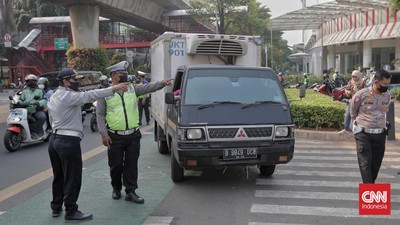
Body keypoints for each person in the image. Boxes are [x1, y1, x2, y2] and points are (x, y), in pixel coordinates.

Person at [47, 68, 128, 222]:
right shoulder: (69, 96)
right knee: (72, 177)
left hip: (55, 139)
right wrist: (114, 88)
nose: (77, 82)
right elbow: (90, 95)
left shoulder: (54, 95)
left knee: (59, 176)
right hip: (68, 141)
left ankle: (56, 207)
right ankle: (71, 211)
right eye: (74, 79)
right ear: (65, 81)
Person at [96, 61, 172, 204]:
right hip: (114, 136)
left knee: (131, 164)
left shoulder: (132, 89)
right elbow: (100, 114)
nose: (125, 76)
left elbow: (148, 87)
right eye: (121, 74)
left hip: (133, 135)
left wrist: (162, 83)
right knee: (116, 165)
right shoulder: (105, 93)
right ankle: (116, 188)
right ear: (113, 76)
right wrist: (104, 134)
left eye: (125, 73)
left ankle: (130, 191)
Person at [350, 69, 391, 184]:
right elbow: (353, 111)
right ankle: (369, 190)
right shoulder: (361, 95)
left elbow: (385, 111)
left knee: (376, 164)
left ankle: (369, 188)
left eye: (388, 84)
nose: (386, 87)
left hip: (380, 134)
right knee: (365, 162)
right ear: (376, 82)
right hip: (363, 133)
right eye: (384, 84)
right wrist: (356, 126)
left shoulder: (387, 96)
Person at [19, 74, 47, 139]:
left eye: (33, 81)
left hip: (37, 109)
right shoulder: (24, 91)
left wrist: (38, 103)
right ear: (26, 82)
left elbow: (45, 99)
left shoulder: (40, 90)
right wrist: (18, 102)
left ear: (36, 82)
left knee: (42, 117)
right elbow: (20, 99)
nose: (31, 82)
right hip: (26, 110)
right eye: (29, 81)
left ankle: (38, 132)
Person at [338, 70, 364, 134]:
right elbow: (346, 89)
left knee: (359, 115)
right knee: (348, 115)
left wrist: (357, 91)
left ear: (359, 76)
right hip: (351, 100)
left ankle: (359, 129)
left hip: (360, 102)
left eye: (355, 76)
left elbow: (364, 91)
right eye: (353, 76)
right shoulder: (351, 82)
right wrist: (348, 92)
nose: (354, 78)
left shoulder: (362, 83)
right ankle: (346, 129)